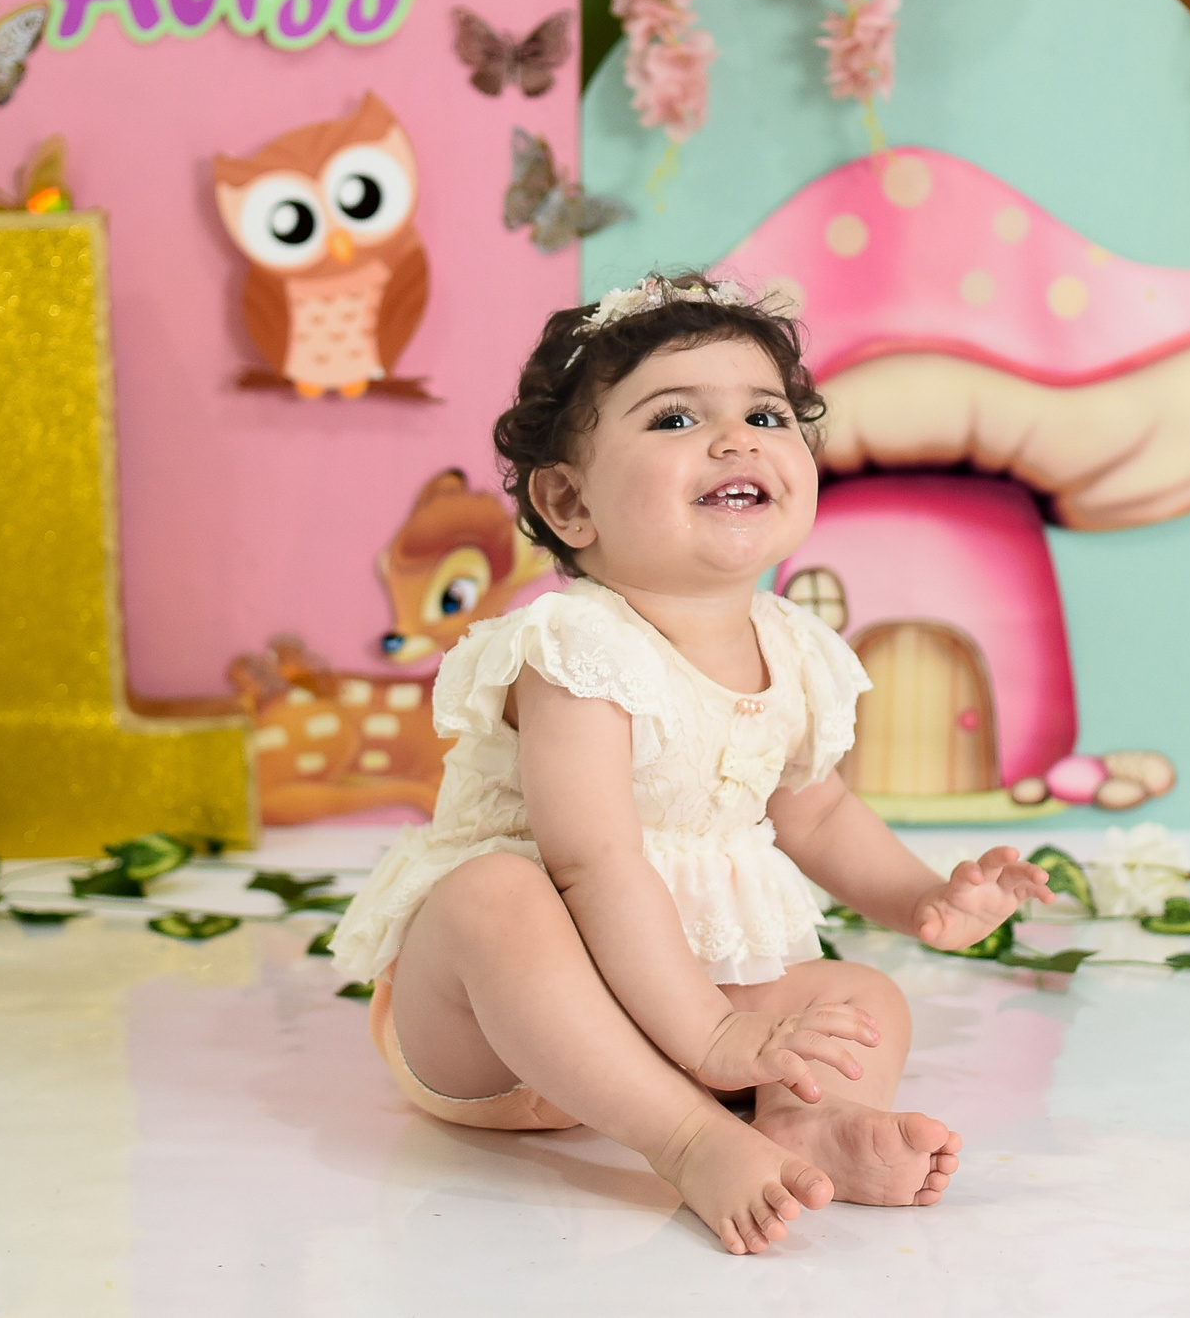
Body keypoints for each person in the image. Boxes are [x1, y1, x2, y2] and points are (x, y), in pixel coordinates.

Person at [330, 272, 1052, 1255]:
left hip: (683, 1019)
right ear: (570, 500)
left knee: (862, 999)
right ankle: (687, 1137)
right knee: (493, 896)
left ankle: (804, 1124)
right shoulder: (579, 648)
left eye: (766, 412)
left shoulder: (793, 646)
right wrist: (710, 1041)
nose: (737, 438)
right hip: (498, 1034)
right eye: (674, 417)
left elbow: (818, 812)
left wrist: (928, 896)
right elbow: (590, 861)